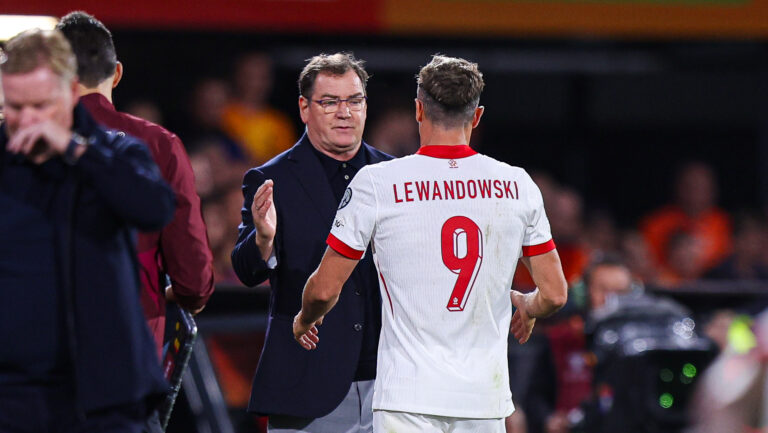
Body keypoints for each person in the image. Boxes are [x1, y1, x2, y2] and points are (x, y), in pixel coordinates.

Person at [293, 54, 568, 433]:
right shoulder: (517, 184)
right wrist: (528, 305)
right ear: (476, 116)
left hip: (407, 399)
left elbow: (324, 290)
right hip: (483, 402)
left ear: (418, 110)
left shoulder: (378, 183)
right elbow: (554, 294)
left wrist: (305, 319)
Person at [0, 28, 174, 431]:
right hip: (12, 396)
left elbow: (154, 208)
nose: (27, 120)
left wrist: (75, 150)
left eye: (40, 105)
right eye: (15, 107)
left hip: (103, 398)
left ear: (69, 92)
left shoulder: (114, 152)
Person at [231, 52, 391, 432]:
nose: (344, 113)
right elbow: (246, 270)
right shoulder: (272, 178)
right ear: (305, 108)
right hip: (308, 382)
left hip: (391, 383)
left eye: (354, 101)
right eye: (330, 102)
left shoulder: (394, 175)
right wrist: (264, 239)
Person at [57, 11, 215, 356]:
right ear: (116, 73)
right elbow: (192, 276)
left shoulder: (19, 143)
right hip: (129, 342)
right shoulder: (158, 145)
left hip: (36, 347)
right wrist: (185, 295)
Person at [221, 51, 297, 165]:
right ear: (236, 77)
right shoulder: (221, 114)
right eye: (249, 76)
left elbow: (286, 164)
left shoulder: (279, 123)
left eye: (262, 78)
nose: (255, 84)